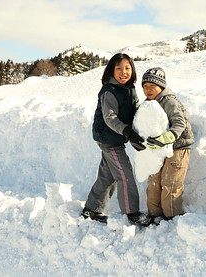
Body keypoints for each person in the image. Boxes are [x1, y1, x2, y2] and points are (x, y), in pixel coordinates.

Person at [81, 53, 151, 227]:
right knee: (125, 174)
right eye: (118, 68)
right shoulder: (109, 91)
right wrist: (128, 132)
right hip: (108, 138)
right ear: (112, 71)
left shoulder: (130, 90)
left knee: (108, 176)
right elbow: (110, 118)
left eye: (127, 68)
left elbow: (135, 112)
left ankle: (91, 209)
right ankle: (131, 212)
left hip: (116, 137)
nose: (123, 72)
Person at [140, 67, 194, 223]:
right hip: (158, 149)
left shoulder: (169, 101)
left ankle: (172, 217)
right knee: (154, 181)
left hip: (178, 147)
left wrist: (166, 138)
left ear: (161, 86)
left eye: (152, 86)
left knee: (171, 183)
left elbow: (179, 122)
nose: (148, 90)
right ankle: (155, 215)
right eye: (145, 86)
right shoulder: (148, 103)